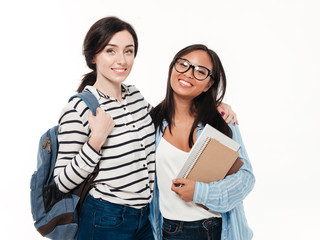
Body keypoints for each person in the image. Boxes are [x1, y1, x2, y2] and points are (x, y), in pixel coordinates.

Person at [53, 17, 238, 240]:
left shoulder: (135, 97)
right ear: (93, 56)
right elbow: (61, 182)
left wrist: (213, 104)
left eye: (128, 51)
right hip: (105, 218)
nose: (121, 60)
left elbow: (171, 115)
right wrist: (95, 142)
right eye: (111, 51)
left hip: (145, 219)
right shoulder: (80, 108)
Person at [149, 44, 255, 240]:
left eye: (200, 71)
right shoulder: (151, 122)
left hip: (217, 229)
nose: (189, 74)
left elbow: (246, 178)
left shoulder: (221, 122)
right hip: (169, 230)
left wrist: (200, 192)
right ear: (172, 68)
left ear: (208, 84)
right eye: (184, 64)